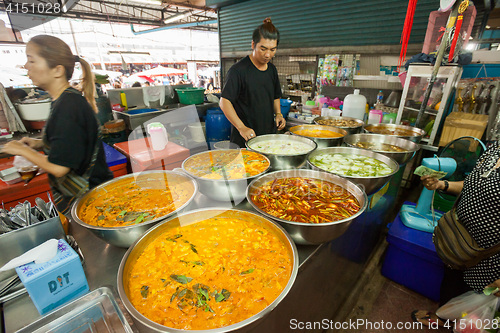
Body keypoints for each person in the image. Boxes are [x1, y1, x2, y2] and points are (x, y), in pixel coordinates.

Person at [1, 35, 113, 214]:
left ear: (57, 70)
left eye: (31, 60)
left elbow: (59, 168)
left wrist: (23, 150)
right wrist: (38, 143)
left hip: (90, 201)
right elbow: (73, 139)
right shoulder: (64, 100)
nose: (26, 66)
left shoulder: (68, 105)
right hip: (88, 196)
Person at [412, 140, 500, 327]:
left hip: (489, 255)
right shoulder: (496, 147)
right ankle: (443, 318)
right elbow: (473, 184)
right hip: (459, 236)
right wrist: (442, 184)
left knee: (473, 300)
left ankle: (457, 324)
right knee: (452, 279)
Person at [220, 17, 285, 148]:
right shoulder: (238, 71)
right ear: (253, 44)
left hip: (267, 137)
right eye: (263, 49)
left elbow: (275, 96)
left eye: (272, 50)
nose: (267, 55)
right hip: (245, 138)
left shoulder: (272, 70)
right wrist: (241, 127)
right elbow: (224, 101)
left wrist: (278, 114)